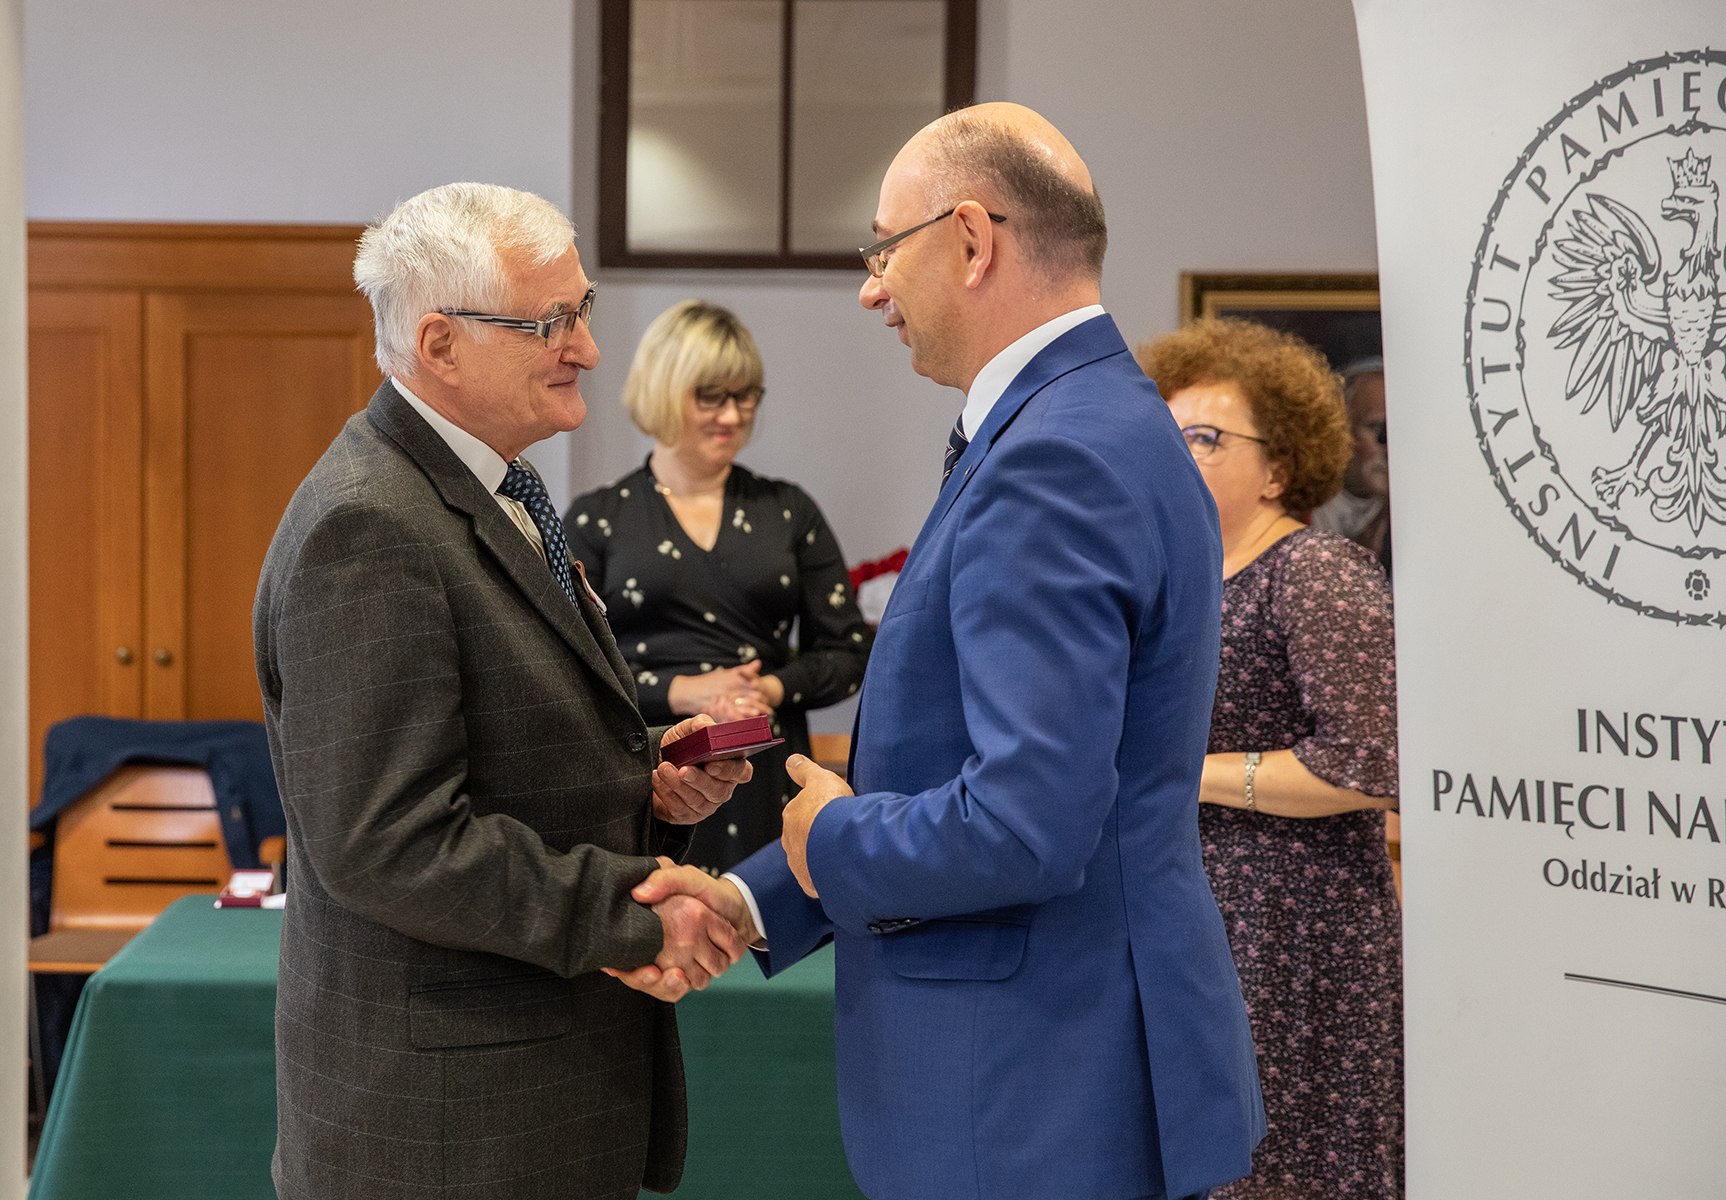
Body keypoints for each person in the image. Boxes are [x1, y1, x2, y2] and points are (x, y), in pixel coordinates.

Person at [621, 104, 1265, 1200]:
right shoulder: (1098, 420)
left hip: (1030, 1085)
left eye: (883, 249)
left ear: (970, 239)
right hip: (1062, 1061)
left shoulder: (1055, 457)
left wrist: (831, 838)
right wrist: (753, 900)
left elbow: (1024, 822)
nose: (870, 288)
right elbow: (965, 771)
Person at [253, 182, 752, 1200]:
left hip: (521, 1100)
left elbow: (512, 752)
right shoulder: (371, 526)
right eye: (550, 322)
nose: (588, 349)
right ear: (439, 345)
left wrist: (650, 788)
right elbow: (391, 843)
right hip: (449, 1133)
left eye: (583, 310)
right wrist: (632, 915)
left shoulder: (485, 489)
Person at [1140, 318, 1404, 1200]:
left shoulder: (1317, 572)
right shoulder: (1172, 584)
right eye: (1167, 436)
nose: (1178, 455)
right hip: (1192, 915)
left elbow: (1369, 763)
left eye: (1206, 438)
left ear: (1280, 468)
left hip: (1299, 934)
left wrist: (1185, 776)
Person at [564, 300, 873, 872]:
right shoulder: (596, 519)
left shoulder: (789, 510)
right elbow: (568, 671)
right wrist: (687, 692)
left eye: (745, 396)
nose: (731, 415)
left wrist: (767, 691)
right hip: (650, 779)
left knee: (764, 925)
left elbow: (851, 651)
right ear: (663, 390)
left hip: (763, 779)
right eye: (710, 396)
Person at [1309, 356, 1391, 578]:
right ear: (1340, 432)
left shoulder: (1410, 511)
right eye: (1379, 431)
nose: (1391, 448)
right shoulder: (1301, 507)